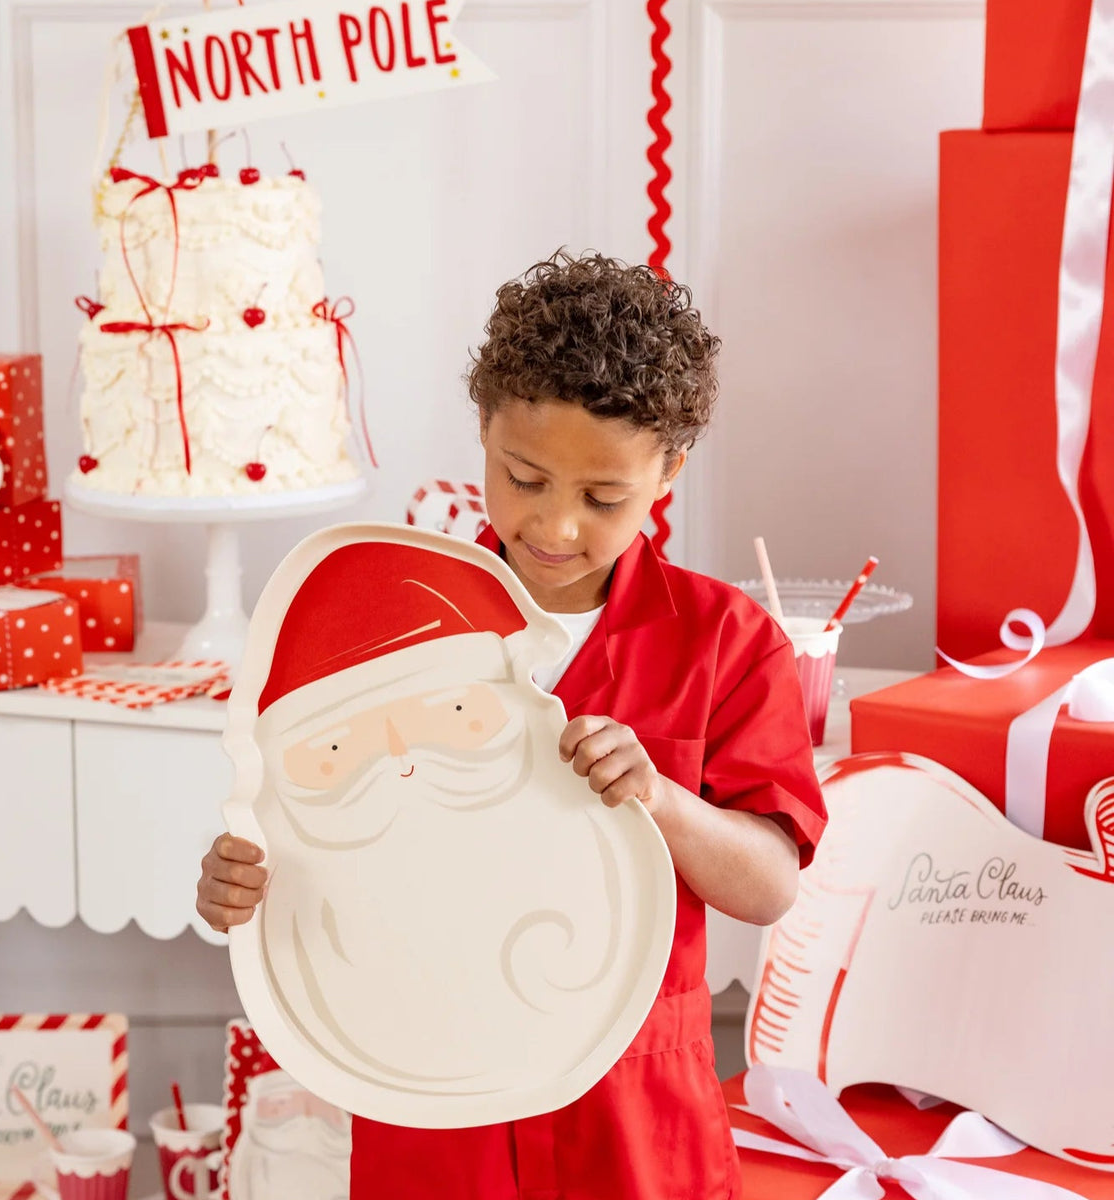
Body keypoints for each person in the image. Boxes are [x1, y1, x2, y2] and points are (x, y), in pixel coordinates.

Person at [197, 250, 826, 1199]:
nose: (557, 526)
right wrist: (246, 885)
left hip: (634, 1110)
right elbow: (320, 832)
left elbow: (771, 885)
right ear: (482, 429)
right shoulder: (382, 637)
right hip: (433, 1097)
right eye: (523, 477)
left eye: (604, 499)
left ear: (670, 471)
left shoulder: (728, 643)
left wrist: (660, 799)